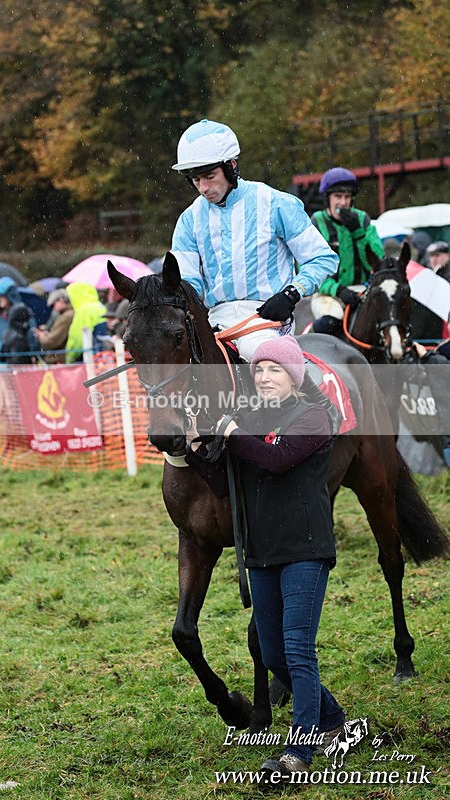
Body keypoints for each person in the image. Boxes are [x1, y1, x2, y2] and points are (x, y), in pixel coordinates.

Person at [185, 336, 345, 777]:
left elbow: (276, 460)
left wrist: (232, 433)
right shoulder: (249, 419)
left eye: (275, 369)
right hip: (261, 553)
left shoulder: (314, 415)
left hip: (305, 551)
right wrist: (193, 450)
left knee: (297, 650)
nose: (264, 376)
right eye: (258, 370)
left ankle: (301, 750)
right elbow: (224, 485)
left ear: (293, 375)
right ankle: (332, 720)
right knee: (273, 655)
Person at [170, 119, 339, 362]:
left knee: (262, 361)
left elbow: (322, 258)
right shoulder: (188, 220)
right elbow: (188, 286)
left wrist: (291, 294)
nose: (203, 188)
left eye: (209, 176)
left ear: (231, 167)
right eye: (196, 180)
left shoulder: (276, 203)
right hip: (214, 321)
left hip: (267, 318)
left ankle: (309, 399)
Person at [310, 167, 384, 335]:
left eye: (347, 197)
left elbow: (378, 261)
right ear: (327, 198)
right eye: (338, 197)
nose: (343, 203)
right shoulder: (316, 223)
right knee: (329, 323)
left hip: (363, 291)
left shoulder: (362, 219)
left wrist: (358, 233)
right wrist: (338, 290)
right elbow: (309, 269)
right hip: (328, 293)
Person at [0, 277, 38, 364]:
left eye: (1, 295)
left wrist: (32, 352)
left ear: (9, 295)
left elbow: (31, 334)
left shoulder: (23, 311)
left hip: (15, 358)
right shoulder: (2, 313)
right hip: (0, 358)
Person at [64, 282, 106, 363]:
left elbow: (77, 340)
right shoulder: (100, 306)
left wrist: (69, 359)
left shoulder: (83, 311)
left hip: (91, 358)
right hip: (104, 356)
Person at [33, 289, 74, 363]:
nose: (53, 308)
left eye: (53, 304)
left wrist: (40, 335)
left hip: (58, 361)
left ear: (61, 300)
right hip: (60, 359)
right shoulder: (66, 315)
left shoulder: (66, 316)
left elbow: (51, 341)